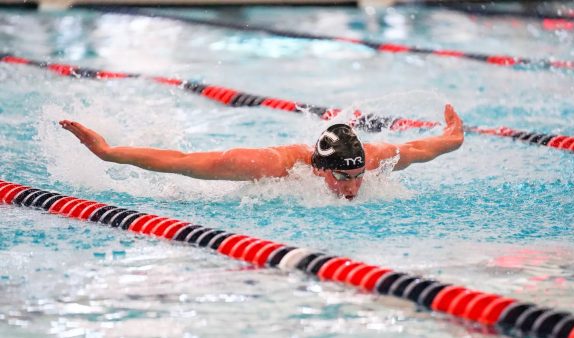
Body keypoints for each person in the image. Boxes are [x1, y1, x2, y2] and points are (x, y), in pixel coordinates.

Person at [60, 104, 464, 200]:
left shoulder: (373, 158)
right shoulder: (272, 166)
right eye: (343, 177)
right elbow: (182, 162)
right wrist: (109, 152)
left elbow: (420, 148)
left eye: (358, 176)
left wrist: (453, 137)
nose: (354, 187)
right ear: (319, 166)